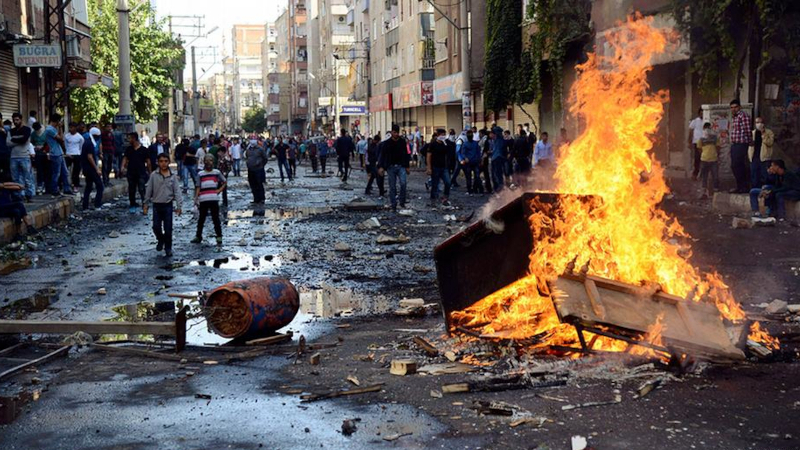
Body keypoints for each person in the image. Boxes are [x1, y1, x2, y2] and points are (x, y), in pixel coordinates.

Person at [143, 153, 182, 257]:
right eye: (161, 161)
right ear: (157, 162)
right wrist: (145, 204)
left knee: (168, 229)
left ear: (169, 162)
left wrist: (179, 206)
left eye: (165, 161)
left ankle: (168, 248)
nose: (163, 163)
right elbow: (149, 190)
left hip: (168, 205)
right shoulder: (153, 175)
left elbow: (177, 191)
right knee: (156, 227)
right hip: (156, 205)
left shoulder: (172, 176)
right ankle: (160, 239)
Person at [191, 156, 225, 246]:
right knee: (201, 218)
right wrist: (196, 198)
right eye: (206, 160)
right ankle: (198, 236)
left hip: (213, 199)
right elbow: (198, 186)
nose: (208, 162)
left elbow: (224, 182)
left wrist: (219, 190)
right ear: (204, 162)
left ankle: (219, 236)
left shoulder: (217, 172)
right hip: (203, 199)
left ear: (213, 162)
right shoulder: (200, 174)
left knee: (215, 218)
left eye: (210, 160)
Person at [378, 125, 410, 211]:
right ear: (392, 132)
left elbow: (406, 154)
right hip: (390, 167)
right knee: (392, 186)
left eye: (397, 132)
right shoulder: (386, 143)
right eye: (394, 132)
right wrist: (381, 167)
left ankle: (402, 202)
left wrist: (407, 166)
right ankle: (393, 204)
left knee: (403, 183)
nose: (396, 134)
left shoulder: (402, 142)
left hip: (401, 166)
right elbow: (382, 155)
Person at [121, 132, 151, 213]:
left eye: (129, 138)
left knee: (142, 189)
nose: (128, 140)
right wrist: (122, 167)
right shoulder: (129, 149)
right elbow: (125, 158)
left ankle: (145, 204)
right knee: (131, 189)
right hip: (131, 172)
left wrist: (150, 172)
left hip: (141, 172)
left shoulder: (144, 150)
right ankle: (132, 204)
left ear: (134, 138)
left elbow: (148, 161)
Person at [45, 114, 73, 196]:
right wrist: (60, 128)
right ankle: (54, 190)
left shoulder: (53, 129)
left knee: (65, 172)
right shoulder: (50, 129)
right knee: (56, 173)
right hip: (55, 153)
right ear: (57, 121)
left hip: (59, 152)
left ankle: (67, 189)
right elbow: (61, 139)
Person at [9, 113, 34, 201]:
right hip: (13, 157)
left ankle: (29, 195)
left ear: (21, 120)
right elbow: (8, 143)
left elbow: (24, 139)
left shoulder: (27, 129)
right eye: (14, 120)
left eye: (17, 120)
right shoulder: (11, 131)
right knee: (15, 178)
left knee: (27, 178)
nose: (15, 122)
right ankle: (18, 196)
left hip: (24, 156)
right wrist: (19, 138)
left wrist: (14, 139)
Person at [729, 99, 751, 193]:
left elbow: (747, 130)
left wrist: (749, 141)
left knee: (738, 165)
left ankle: (744, 186)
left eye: (735, 107)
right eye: (732, 107)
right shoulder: (734, 117)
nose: (733, 109)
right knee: (735, 166)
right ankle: (740, 186)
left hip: (741, 144)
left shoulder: (743, 116)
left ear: (739, 107)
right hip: (735, 144)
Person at [80, 127, 104, 210]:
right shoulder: (90, 144)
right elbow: (90, 157)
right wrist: (96, 169)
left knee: (89, 186)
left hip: (86, 168)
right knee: (100, 186)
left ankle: (85, 205)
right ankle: (97, 204)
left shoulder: (87, 142)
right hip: (91, 168)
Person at [426, 129, 452, 206]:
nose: (443, 136)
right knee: (435, 185)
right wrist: (429, 168)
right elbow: (429, 155)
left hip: (444, 167)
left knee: (448, 182)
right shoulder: (433, 144)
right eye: (442, 135)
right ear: (438, 135)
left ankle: (445, 198)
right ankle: (433, 201)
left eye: (444, 135)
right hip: (435, 167)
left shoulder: (445, 144)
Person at [748, 117, 774, 189]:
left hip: (764, 158)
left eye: (760, 122)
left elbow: (770, 143)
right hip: (754, 157)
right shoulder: (753, 133)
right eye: (757, 122)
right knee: (754, 175)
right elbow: (750, 144)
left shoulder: (769, 132)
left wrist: (763, 135)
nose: (759, 124)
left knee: (765, 175)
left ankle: (766, 190)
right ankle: (755, 190)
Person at [698, 123, 719, 199]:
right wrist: (704, 154)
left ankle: (715, 193)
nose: (707, 130)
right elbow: (699, 148)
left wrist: (715, 154)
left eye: (709, 128)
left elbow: (718, 147)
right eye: (706, 128)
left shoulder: (715, 138)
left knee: (715, 177)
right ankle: (704, 193)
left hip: (713, 160)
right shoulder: (701, 139)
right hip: (704, 160)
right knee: (704, 177)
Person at [245, 139, 268, 204]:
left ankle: (262, 199)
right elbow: (247, 157)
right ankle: (256, 199)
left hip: (258, 169)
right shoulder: (248, 150)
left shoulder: (260, 149)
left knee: (259, 184)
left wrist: (261, 165)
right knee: (253, 185)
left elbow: (265, 158)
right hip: (250, 169)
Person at [461, 130, 482, 195]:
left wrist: (465, 158)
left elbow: (478, 152)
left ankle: (472, 190)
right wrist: (465, 158)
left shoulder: (467, 144)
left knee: (472, 177)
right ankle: (472, 190)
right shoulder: (472, 143)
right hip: (471, 162)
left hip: (472, 162)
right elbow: (463, 153)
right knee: (473, 177)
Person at [64, 122, 84, 189]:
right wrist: (67, 152)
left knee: (76, 171)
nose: (70, 129)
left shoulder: (80, 137)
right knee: (65, 169)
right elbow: (66, 145)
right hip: (68, 154)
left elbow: (81, 146)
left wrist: (79, 153)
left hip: (77, 154)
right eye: (70, 127)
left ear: (75, 128)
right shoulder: (67, 136)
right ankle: (65, 184)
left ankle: (75, 185)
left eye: (72, 127)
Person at [31, 122, 48, 194]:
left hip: (45, 153)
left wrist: (43, 147)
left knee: (45, 170)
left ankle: (45, 185)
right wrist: (35, 147)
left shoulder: (45, 133)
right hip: (37, 154)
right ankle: (40, 185)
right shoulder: (33, 134)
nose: (37, 130)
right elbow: (31, 143)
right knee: (39, 170)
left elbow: (48, 143)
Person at [688, 108, 705, 181]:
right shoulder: (695, 121)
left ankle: (703, 175)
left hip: (705, 142)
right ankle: (695, 174)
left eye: (703, 113)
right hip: (697, 142)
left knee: (705, 159)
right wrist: (689, 140)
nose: (702, 115)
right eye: (701, 113)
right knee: (697, 158)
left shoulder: (707, 120)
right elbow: (690, 131)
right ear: (699, 114)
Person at [490, 126, 508, 192]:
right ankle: (498, 188)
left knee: (497, 175)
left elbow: (499, 151)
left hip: (497, 159)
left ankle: (499, 189)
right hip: (496, 158)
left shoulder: (499, 141)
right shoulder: (496, 141)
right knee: (496, 174)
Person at [478, 129, 492, 193]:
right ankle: (488, 188)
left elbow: (484, 151)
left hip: (484, 160)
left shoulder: (485, 140)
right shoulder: (487, 140)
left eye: (480, 134)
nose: (479, 135)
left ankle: (479, 188)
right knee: (486, 175)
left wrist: (482, 160)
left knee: (479, 174)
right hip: (485, 160)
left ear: (483, 134)